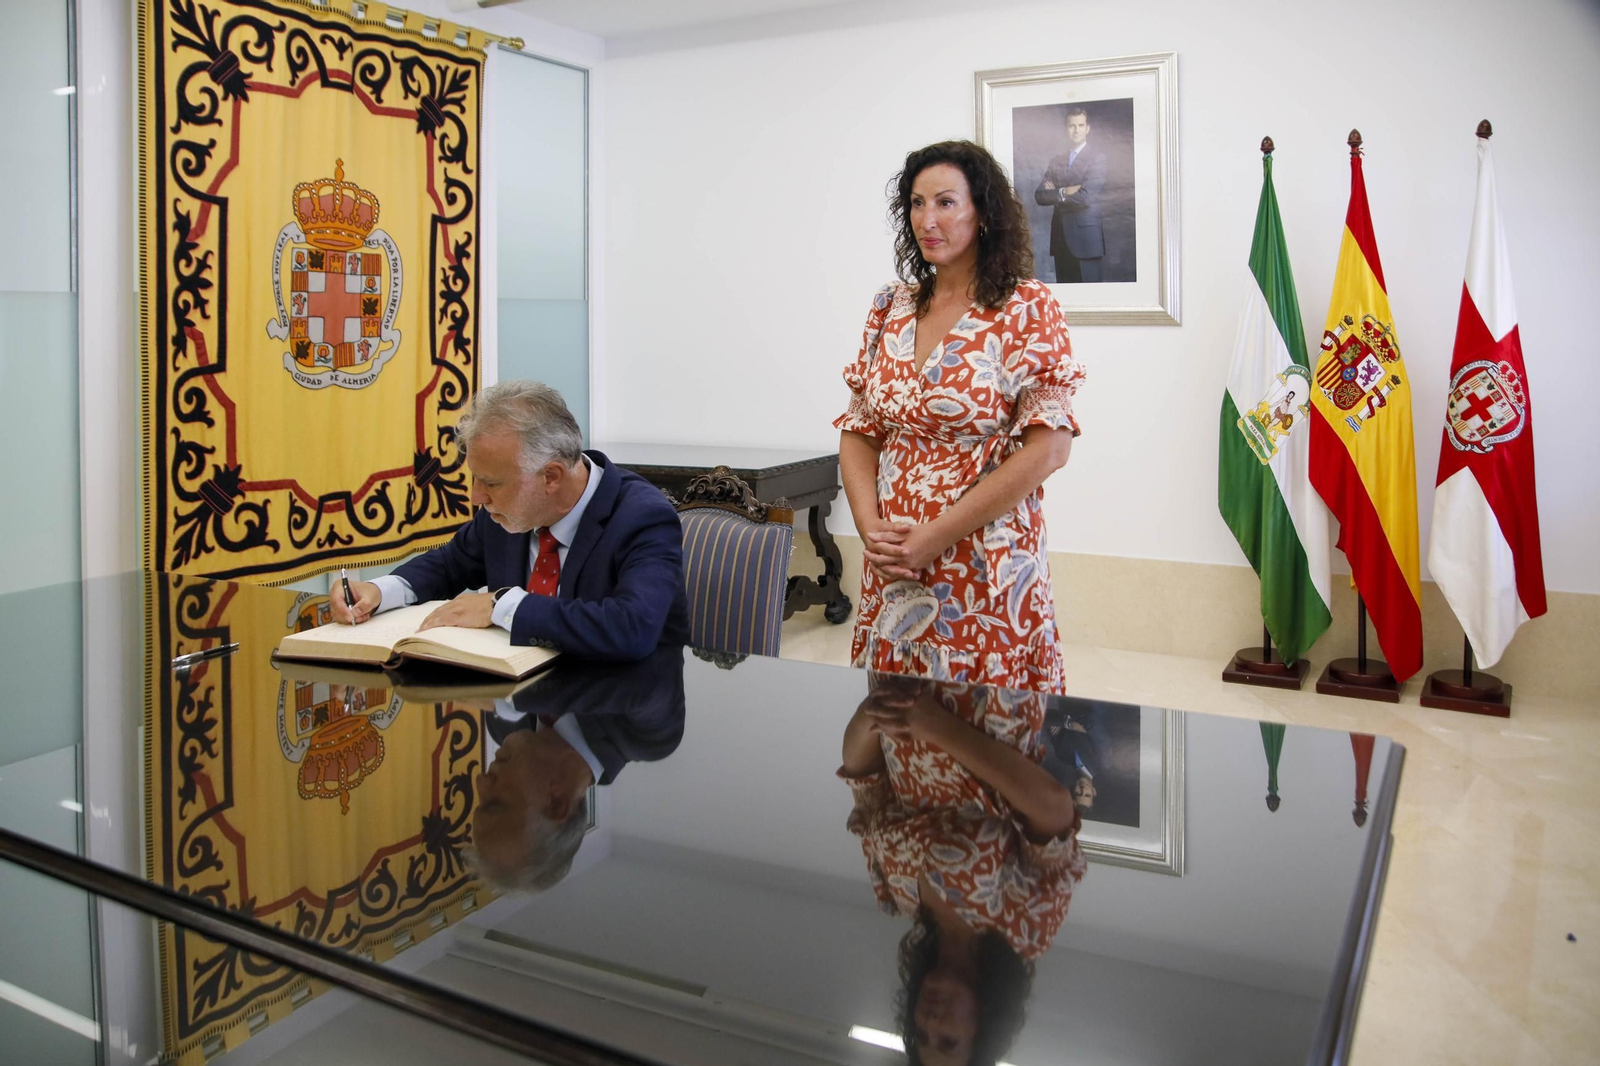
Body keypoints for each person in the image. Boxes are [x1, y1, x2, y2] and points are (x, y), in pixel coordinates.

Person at [836, 140, 1085, 694]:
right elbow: (859, 429)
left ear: (984, 212)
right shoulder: (889, 306)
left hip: (984, 563)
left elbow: (1050, 448)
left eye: (945, 202)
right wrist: (871, 528)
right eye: (917, 204)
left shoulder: (1026, 307)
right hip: (896, 561)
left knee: (986, 729)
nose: (928, 220)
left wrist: (935, 536)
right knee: (898, 729)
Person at [330, 380, 690, 660]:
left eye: (490, 483)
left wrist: (499, 604)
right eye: (475, 478)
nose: (476, 496)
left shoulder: (642, 517)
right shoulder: (504, 512)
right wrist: (380, 591)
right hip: (518, 701)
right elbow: (448, 565)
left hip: (618, 718)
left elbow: (633, 628)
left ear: (551, 476)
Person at [841, 675, 1085, 1066]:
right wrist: (935, 726)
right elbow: (1054, 810)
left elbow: (864, 781)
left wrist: (872, 714)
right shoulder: (1024, 930)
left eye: (921, 1034)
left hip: (900, 672)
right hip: (988, 682)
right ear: (985, 1027)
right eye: (949, 1040)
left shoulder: (899, 897)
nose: (932, 1020)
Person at [471, 643, 688, 891]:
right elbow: (649, 683)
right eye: (495, 803)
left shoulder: (504, 728)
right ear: (556, 802)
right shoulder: (647, 737)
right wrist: (519, 695)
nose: (481, 781)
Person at [1032, 107, 1107, 283]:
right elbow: (1040, 195)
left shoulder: (1097, 158)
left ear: (1087, 128)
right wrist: (1064, 191)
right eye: (1072, 126)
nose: (1076, 130)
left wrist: (1055, 194)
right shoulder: (1056, 160)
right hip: (1060, 240)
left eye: (1080, 125)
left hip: (1086, 242)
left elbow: (1085, 197)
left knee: (1090, 300)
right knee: (1065, 304)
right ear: (1066, 129)